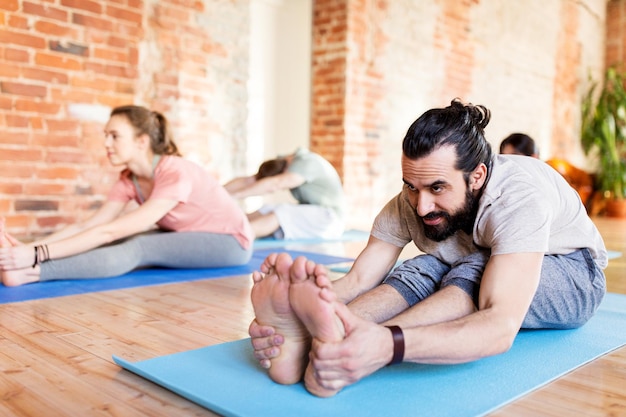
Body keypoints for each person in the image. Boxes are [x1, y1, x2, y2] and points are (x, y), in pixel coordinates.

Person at [248, 99, 607, 397]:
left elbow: (499, 324)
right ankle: (315, 341)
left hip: (574, 274)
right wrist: (303, 311)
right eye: (411, 186)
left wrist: (388, 345)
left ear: (477, 176)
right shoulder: (413, 200)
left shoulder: (517, 199)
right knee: (422, 266)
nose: (421, 206)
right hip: (480, 262)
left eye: (437, 188)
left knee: (472, 271)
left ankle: (357, 349)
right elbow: (360, 278)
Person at [0, 105, 254, 287]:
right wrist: (29, 248)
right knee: (124, 237)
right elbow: (90, 225)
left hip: (230, 242)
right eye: (105, 136)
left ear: (141, 142)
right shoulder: (128, 178)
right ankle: (25, 263)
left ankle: (32, 273)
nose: (107, 144)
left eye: (115, 136)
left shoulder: (175, 172)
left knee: (137, 246)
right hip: (188, 234)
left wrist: (37, 256)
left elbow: (109, 232)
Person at [224, 147, 346, 240]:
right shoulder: (283, 162)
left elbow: (275, 184)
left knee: (282, 213)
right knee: (267, 208)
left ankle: (233, 236)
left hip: (331, 219)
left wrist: (232, 196)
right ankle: (224, 226)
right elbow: (248, 181)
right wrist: (218, 191)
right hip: (314, 212)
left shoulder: (306, 163)